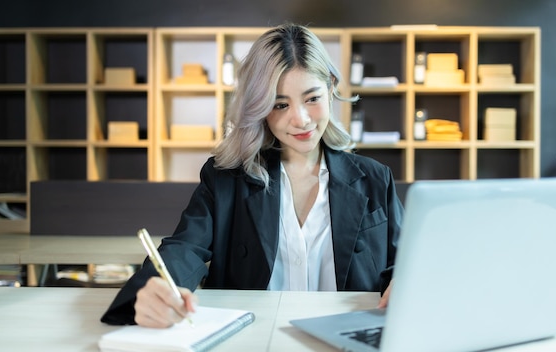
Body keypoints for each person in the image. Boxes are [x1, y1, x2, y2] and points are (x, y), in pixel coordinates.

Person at [100, 23, 404, 328]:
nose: (300, 119)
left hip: (347, 337)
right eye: (280, 104)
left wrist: (404, 283)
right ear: (259, 107)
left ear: (332, 87)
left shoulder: (376, 179)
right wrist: (152, 291)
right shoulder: (225, 179)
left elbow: (407, 262)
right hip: (253, 338)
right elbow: (184, 249)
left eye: (312, 98)